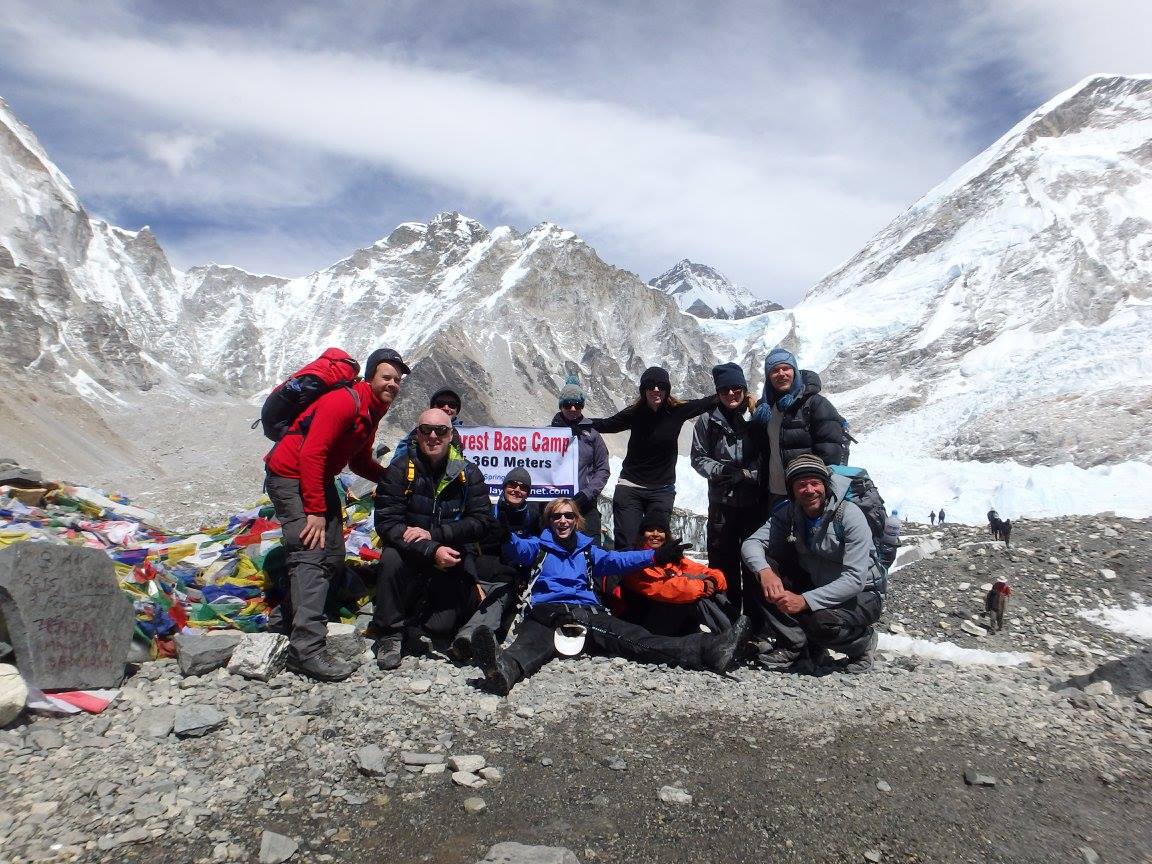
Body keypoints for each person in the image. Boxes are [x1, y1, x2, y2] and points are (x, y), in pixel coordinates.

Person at [470, 498, 751, 695]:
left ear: (577, 520)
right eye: (556, 516)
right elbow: (517, 548)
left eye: (568, 515)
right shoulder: (538, 548)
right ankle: (502, 671)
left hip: (585, 612)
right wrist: (505, 535)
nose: (563, 520)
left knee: (638, 640)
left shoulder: (590, 552)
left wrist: (655, 555)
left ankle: (707, 649)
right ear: (549, 521)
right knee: (527, 646)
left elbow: (620, 561)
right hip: (546, 612)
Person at [264, 347, 409, 681]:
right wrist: (314, 510)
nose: (392, 384)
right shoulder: (345, 401)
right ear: (371, 375)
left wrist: (391, 479)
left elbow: (358, 461)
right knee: (310, 551)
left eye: (397, 380)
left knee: (332, 553)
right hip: (290, 475)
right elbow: (312, 454)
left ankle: (286, 621)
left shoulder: (374, 408)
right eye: (386, 377)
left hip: (318, 477)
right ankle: (307, 651)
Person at [370, 408, 495, 670]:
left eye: (441, 430)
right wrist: (430, 549)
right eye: (426, 430)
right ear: (418, 434)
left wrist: (437, 536)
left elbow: (482, 522)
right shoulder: (399, 470)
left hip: (451, 555)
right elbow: (387, 523)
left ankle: (418, 617)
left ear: (451, 435)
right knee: (390, 558)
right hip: (412, 553)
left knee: (440, 627)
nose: (433, 436)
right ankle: (390, 633)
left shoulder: (468, 474)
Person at [741, 455, 885, 674]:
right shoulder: (789, 512)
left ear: (825, 486)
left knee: (820, 623)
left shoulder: (849, 515)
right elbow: (751, 543)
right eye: (801, 485)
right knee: (759, 572)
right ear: (792, 490)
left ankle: (862, 643)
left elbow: (855, 579)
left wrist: (804, 600)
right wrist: (765, 572)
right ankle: (796, 645)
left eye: (815, 483)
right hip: (818, 584)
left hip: (863, 594)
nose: (809, 490)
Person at [591, 366, 715, 549]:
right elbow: (606, 424)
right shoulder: (635, 413)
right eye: (650, 386)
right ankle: (623, 578)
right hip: (630, 487)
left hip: (661, 491)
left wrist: (737, 391)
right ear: (643, 390)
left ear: (667, 389)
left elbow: (707, 402)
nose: (656, 389)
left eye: (661, 386)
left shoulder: (677, 410)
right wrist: (573, 423)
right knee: (626, 544)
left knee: (657, 547)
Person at [690, 362, 762, 618]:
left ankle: (755, 622)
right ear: (718, 393)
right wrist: (721, 471)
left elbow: (768, 458)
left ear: (743, 388)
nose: (731, 394)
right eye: (725, 390)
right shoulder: (708, 420)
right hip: (721, 503)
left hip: (753, 502)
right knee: (722, 563)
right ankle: (728, 621)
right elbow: (698, 457)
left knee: (753, 562)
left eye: (736, 388)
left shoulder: (758, 416)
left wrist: (747, 473)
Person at [454, 467, 543, 660]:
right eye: (512, 484)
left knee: (497, 600)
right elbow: (467, 544)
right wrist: (472, 579)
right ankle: (470, 636)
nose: (517, 490)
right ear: (504, 487)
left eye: (523, 487)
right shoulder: (486, 511)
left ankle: (466, 639)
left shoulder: (532, 517)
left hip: (505, 578)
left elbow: (530, 552)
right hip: (476, 574)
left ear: (528, 493)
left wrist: (523, 577)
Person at [749, 347, 849, 506]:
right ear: (768, 377)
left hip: (806, 494)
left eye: (786, 368)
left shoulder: (815, 404)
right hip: (775, 492)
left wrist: (817, 491)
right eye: (775, 370)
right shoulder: (765, 409)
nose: (781, 373)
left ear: (794, 371)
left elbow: (830, 453)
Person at [614, 515, 731, 637]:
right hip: (645, 628)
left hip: (672, 621)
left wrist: (712, 581)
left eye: (660, 530)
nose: (655, 534)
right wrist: (704, 587)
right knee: (693, 591)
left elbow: (714, 574)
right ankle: (730, 633)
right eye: (650, 530)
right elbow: (665, 589)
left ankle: (732, 630)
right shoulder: (635, 561)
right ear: (642, 535)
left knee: (705, 580)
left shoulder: (671, 558)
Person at [550, 375, 611, 544]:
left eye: (577, 404)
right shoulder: (547, 434)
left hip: (585, 503)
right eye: (568, 404)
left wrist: (587, 494)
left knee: (591, 548)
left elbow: (603, 469)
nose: (572, 408)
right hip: (555, 504)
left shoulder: (592, 435)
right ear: (561, 405)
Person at [390, 386, 465, 465]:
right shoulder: (417, 434)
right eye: (440, 404)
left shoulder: (469, 435)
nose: (446, 408)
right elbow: (398, 463)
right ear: (433, 407)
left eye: (452, 405)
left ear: (457, 410)